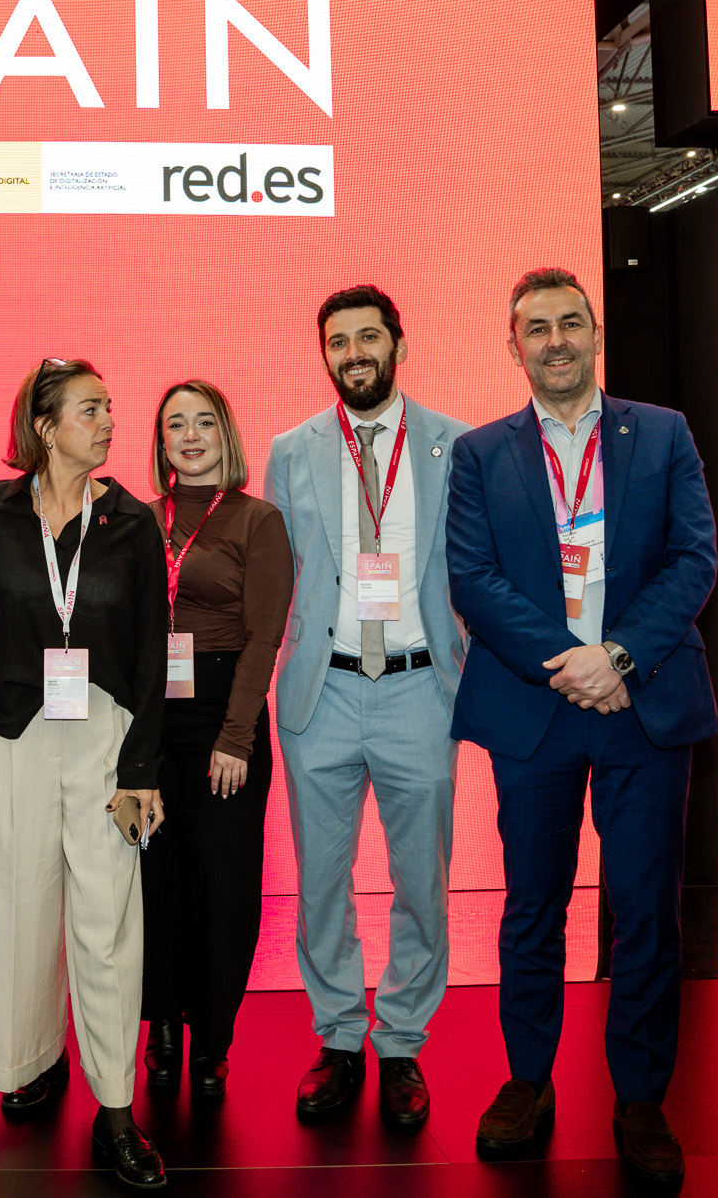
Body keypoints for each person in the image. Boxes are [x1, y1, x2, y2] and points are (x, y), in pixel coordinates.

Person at [447, 268, 718, 1183]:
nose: (556, 340)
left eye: (571, 323)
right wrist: (572, 660)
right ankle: (528, 1081)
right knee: (533, 908)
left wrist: (619, 657)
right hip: (537, 710)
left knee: (645, 912)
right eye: (538, 328)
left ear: (596, 335)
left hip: (644, 704)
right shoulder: (481, 454)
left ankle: (640, 1098)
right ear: (513, 345)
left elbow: (693, 559)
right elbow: (474, 579)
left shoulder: (664, 433)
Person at [265, 286, 470, 1130]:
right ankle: (341, 1035)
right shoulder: (291, 450)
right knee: (322, 881)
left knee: (422, 880)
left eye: (368, 337)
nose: (354, 353)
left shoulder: (456, 444)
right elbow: (275, 575)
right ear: (325, 354)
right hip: (322, 690)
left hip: (420, 689)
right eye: (338, 341)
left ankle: (403, 1040)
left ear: (398, 345)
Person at [0, 358, 170, 1190]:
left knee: (107, 924)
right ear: (45, 427)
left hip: (104, 736)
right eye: (91, 409)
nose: (110, 421)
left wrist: (142, 766)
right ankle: (33, 1058)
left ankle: (116, 1107)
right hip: (11, 731)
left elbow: (155, 652)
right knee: (17, 908)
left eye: (109, 408)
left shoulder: (131, 522)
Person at [137, 380, 293, 1099]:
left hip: (224, 719)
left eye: (204, 422)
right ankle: (163, 1025)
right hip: (151, 721)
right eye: (177, 424)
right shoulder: (140, 520)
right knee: (154, 882)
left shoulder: (258, 519)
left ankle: (212, 1037)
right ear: (161, 441)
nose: (191, 436)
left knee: (221, 886)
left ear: (225, 433)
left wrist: (235, 736)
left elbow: (264, 636)